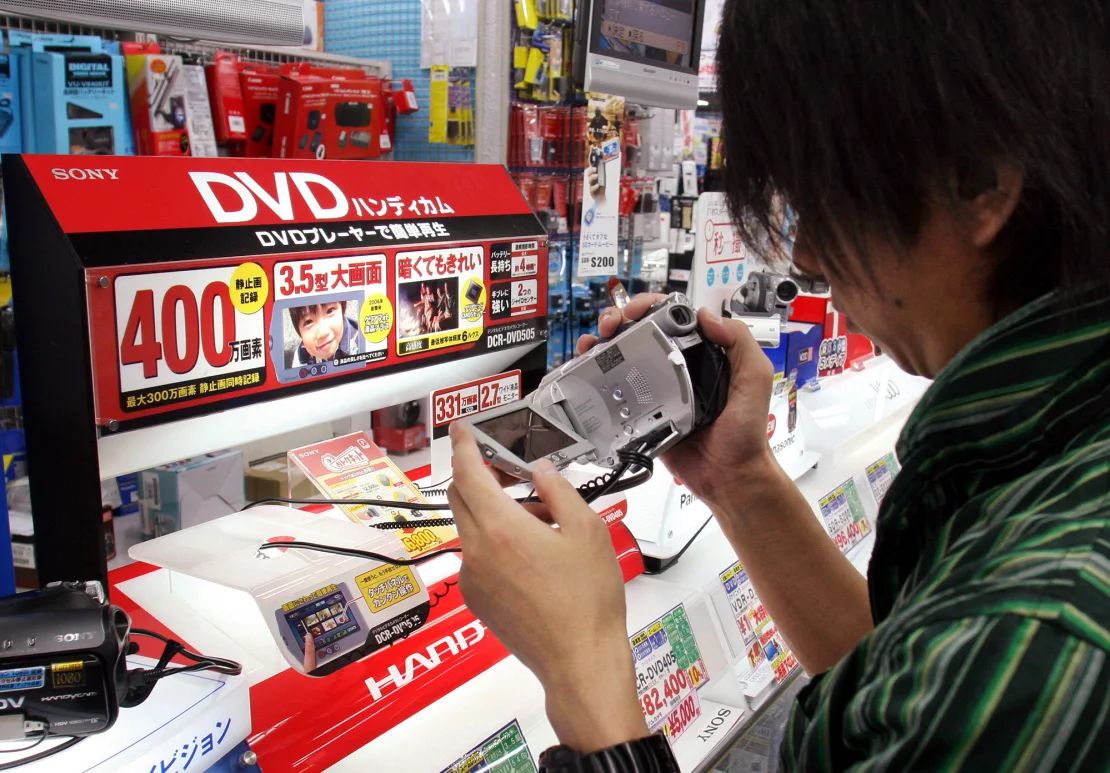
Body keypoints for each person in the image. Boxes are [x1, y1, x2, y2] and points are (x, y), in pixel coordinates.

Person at [448, 1, 1108, 770]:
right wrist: (738, 478)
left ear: (978, 184)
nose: (806, 256)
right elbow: (908, 699)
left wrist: (583, 670)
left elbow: (979, 677)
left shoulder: (1042, 638)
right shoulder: (1050, 451)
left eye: (824, 199)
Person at [288, 301, 360, 367]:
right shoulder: (300, 357)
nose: (323, 333)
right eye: (308, 322)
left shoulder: (361, 343)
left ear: (342, 309)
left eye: (330, 311)